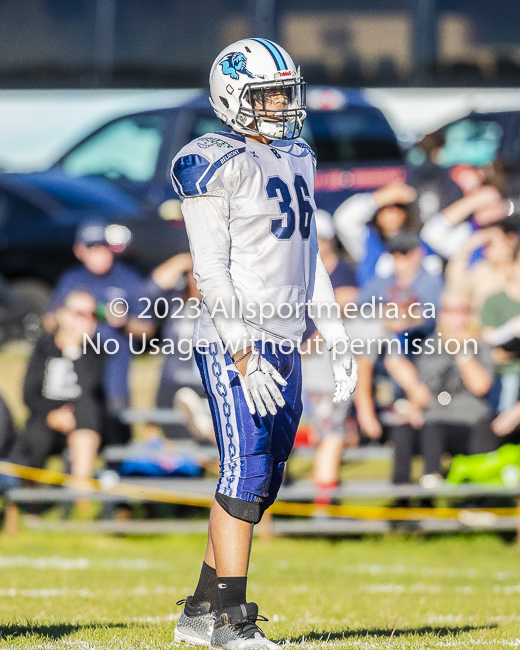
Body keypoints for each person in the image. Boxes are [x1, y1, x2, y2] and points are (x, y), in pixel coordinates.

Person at [171, 39, 357, 650]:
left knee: (265, 478)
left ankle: (200, 611)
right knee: (244, 471)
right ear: (231, 98)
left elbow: (310, 260)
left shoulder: (296, 153)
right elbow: (211, 272)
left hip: (285, 335)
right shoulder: (211, 161)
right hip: (236, 336)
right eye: (267, 94)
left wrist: (335, 336)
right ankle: (230, 620)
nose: (281, 104)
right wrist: (243, 353)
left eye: (284, 92)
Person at [46, 220, 152, 444]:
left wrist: (124, 322)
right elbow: (49, 323)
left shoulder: (129, 279)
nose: (100, 253)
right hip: (76, 371)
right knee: (79, 422)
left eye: (104, 247)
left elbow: (147, 330)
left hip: (114, 370)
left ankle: (117, 469)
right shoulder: (70, 280)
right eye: (92, 248)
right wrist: (70, 315)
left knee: (117, 428)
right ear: (79, 250)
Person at [385, 293, 497, 487]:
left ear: (469, 314)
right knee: (403, 430)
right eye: (447, 310)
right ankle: (401, 494)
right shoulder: (431, 346)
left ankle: (432, 481)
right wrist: (414, 407)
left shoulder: (480, 345)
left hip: (467, 422)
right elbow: (422, 390)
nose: (452, 317)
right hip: (433, 417)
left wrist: (462, 350)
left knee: (433, 427)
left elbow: (481, 386)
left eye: (458, 311)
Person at [300, 209, 358, 502]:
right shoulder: (298, 271)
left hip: (325, 369)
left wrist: (313, 342)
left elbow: (347, 306)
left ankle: (323, 505)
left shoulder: (343, 272)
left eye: (321, 239)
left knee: (330, 435)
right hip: (301, 366)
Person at [22, 291, 104, 483]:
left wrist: (75, 351)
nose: (87, 320)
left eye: (92, 315)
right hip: (47, 418)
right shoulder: (44, 347)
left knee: (87, 415)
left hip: (82, 421)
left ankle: (80, 498)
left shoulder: (96, 350)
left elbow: (90, 390)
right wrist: (52, 415)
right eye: (80, 313)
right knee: (37, 437)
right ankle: (31, 503)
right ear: (63, 315)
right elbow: (29, 393)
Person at [146, 252, 214, 442]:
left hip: (206, 384)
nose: (198, 280)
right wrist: (185, 259)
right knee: (174, 436)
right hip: (171, 383)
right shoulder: (175, 301)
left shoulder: (222, 306)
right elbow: (150, 289)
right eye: (194, 273)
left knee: (206, 433)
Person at [332, 181, 420, 286]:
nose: (391, 213)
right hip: (373, 301)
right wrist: (380, 197)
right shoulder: (367, 240)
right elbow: (343, 221)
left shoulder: (418, 242)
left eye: (398, 207)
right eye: (384, 208)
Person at [445, 217, 520, 317]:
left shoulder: (516, 270)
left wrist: (508, 253)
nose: (485, 249)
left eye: (490, 243)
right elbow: (456, 285)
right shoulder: (483, 271)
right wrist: (468, 245)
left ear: (511, 239)